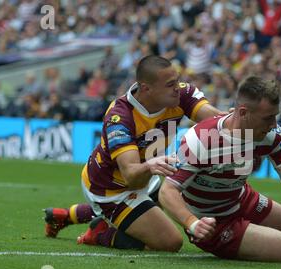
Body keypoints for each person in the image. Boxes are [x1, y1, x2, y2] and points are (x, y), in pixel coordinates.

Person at [44, 55, 226, 251]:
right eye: (170, 84)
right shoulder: (119, 117)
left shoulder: (180, 95)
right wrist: (150, 166)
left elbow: (216, 122)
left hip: (148, 175)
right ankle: (101, 234)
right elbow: (131, 175)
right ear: (146, 88)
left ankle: (65, 216)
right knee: (169, 242)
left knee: (151, 207)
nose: (178, 87)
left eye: (178, 80)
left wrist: (234, 120)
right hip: (111, 188)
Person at [158, 76, 281, 263]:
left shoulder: (272, 135)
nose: (273, 124)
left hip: (246, 200)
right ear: (243, 113)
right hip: (214, 223)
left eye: (275, 116)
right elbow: (168, 191)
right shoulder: (201, 140)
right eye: (268, 118)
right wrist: (193, 223)